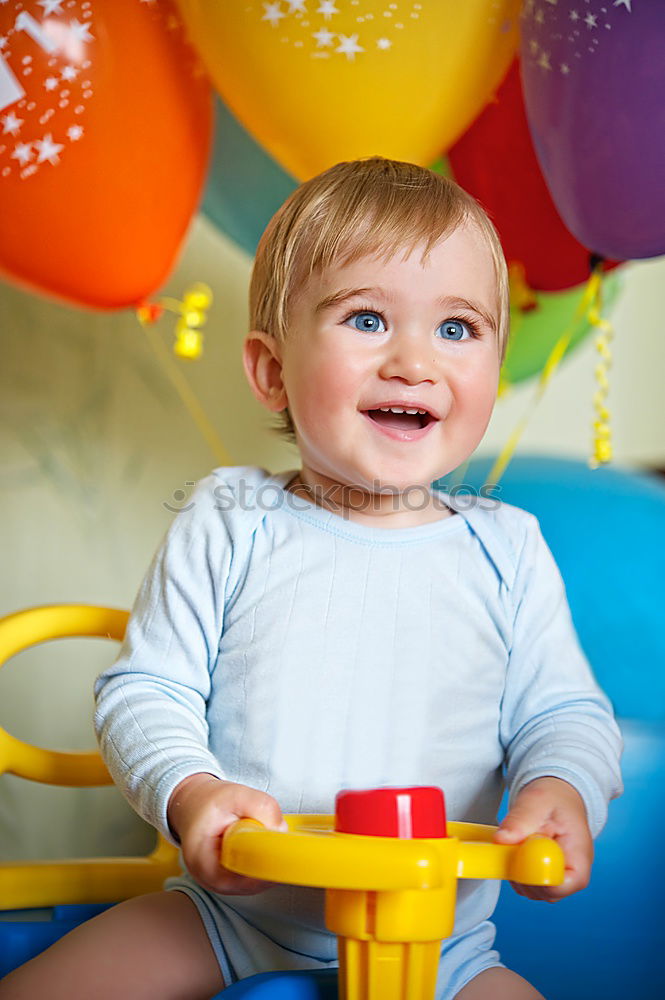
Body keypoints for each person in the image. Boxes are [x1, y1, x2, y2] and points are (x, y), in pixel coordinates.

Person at [0, 158, 623, 1000]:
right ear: (271, 371)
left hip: (439, 943)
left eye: (456, 329)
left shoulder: (506, 548)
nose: (413, 361)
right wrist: (196, 793)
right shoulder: (229, 519)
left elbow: (563, 711)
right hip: (227, 919)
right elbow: (146, 690)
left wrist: (560, 786)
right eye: (366, 318)